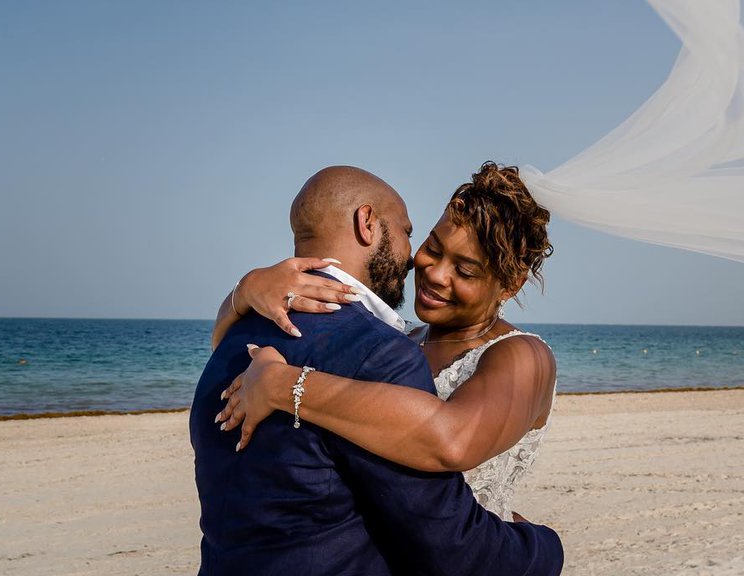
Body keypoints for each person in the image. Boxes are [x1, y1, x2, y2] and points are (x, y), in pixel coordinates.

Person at [189, 165, 563, 576]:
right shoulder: (395, 342)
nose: (435, 274)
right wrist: (246, 289)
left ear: (509, 285)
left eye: (466, 270)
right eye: (433, 248)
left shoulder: (520, 356)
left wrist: (284, 384)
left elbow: (452, 440)